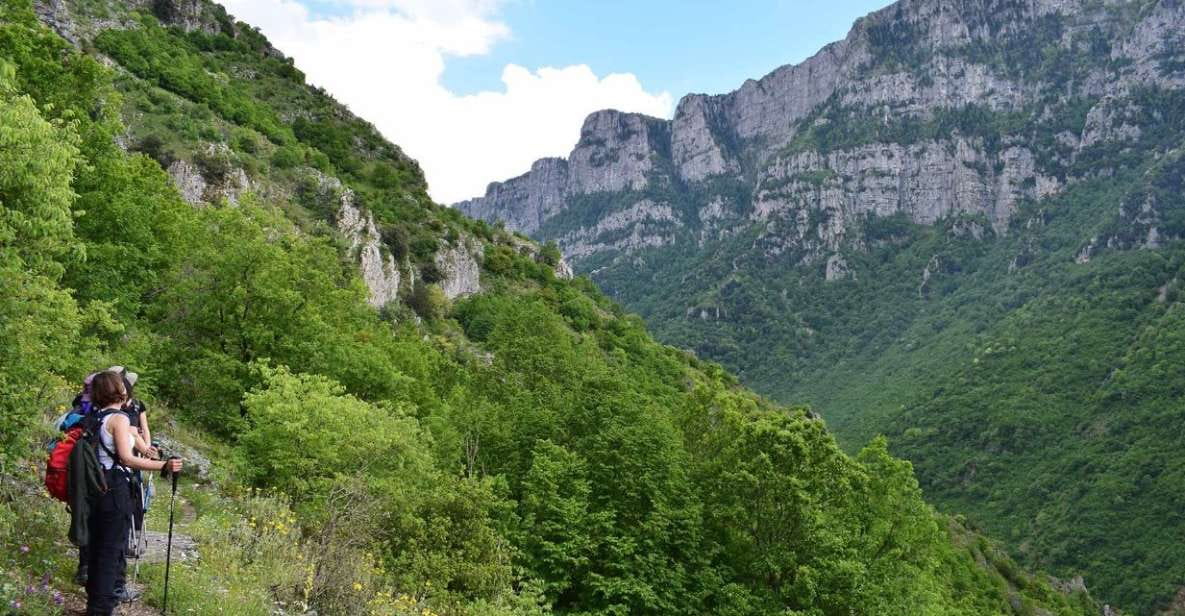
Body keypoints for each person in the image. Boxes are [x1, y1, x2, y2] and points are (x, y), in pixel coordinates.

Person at [86, 371, 182, 616]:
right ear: (118, 390)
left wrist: (150, 451)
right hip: (115, 488)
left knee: (98, 547)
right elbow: (127, 459)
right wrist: (164, 466)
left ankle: (96, 604)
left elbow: (135, 448)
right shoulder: (118, 419)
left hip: (95, 488)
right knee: (111, 549)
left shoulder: (96, 417)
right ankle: (103, 608)